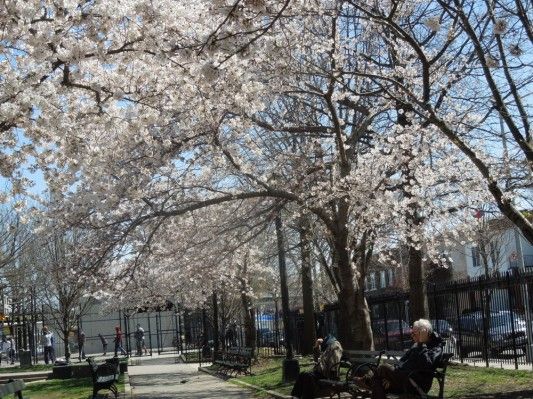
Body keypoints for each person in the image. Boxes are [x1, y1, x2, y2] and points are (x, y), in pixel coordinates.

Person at [354, 319, 444, 399]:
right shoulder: (416, 346)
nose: (412, 336)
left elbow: (426, 365)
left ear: (425, 332)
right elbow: (402, 361)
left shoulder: (436, 348)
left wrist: (421, 344)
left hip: (417, 384)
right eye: (411, 333)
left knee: (383, 368)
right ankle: (369, 380)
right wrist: (390, 378)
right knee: (379, 382)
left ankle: (367, 380)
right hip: (405, 378)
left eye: (414, 333)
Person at [291, 334, 343, 399]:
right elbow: (317, 359)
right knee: (303, 374)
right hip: (321, 372)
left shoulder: (335, 346)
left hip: (327, 374)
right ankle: (295, 396)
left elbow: (335, 362)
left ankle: (306, 397)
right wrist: (316, 346)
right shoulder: (328, 348)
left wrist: (332, 375)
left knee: (308, 376)